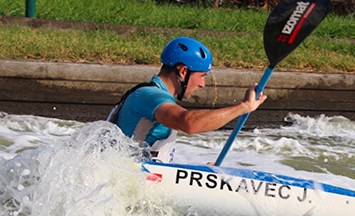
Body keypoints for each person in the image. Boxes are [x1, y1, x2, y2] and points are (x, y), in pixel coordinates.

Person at [110, 37, 267, 163]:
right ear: (183, 71)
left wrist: (198, 173)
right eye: (202, 76)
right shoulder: (150, 95)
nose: (202, 84)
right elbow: (189, 124)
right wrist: (244, 107)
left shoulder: (150, 94)